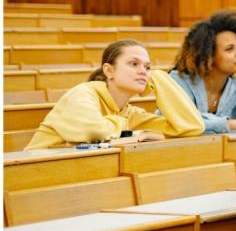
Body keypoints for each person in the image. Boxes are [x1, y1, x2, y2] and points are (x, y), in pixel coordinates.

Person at [25, 39, 204, 150]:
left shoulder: (129, 113)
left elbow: (192, 127)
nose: (143, 71)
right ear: (109, 71)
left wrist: (158, 77)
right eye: (134, 64)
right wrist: (137, 133)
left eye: (147, 67)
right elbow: (94, 131)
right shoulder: (83, 94)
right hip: (27, 174)